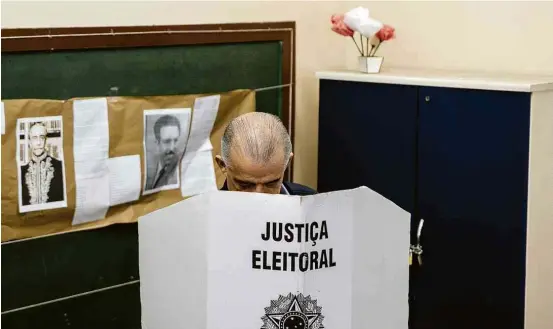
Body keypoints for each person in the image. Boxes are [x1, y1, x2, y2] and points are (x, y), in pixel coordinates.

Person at [215, 112, 316, 195]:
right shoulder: (205, 215)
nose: (259, 196)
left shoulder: (310, 204)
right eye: (245, 185)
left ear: (287, 163)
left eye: (271, 183)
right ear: (223, 165)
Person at [20, 122, 64, 205]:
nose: (38, 143)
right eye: (34, 138)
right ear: (29, 142)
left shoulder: (60, 167)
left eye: (42, 138)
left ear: (46, 140)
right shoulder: (21, 171)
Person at [145, 114, 181, 190]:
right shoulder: (147, 168)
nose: (172, 148)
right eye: (167, 141)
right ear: (157, 143)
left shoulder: (182, 168)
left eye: (175, 140)